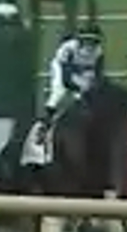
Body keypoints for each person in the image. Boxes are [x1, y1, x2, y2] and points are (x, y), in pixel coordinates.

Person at [32, 18, 105, 162]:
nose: (89, 45)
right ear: (81, 40)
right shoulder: (69, 48)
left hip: (82, 70)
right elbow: (66, 76)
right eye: (87, 41)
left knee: (88, 96)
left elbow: (98, 75)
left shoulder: (98, 52)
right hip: (63, 67)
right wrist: (79, 88)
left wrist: (91, 91)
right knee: (58, 93)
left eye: (93, 41)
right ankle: (43, 127)